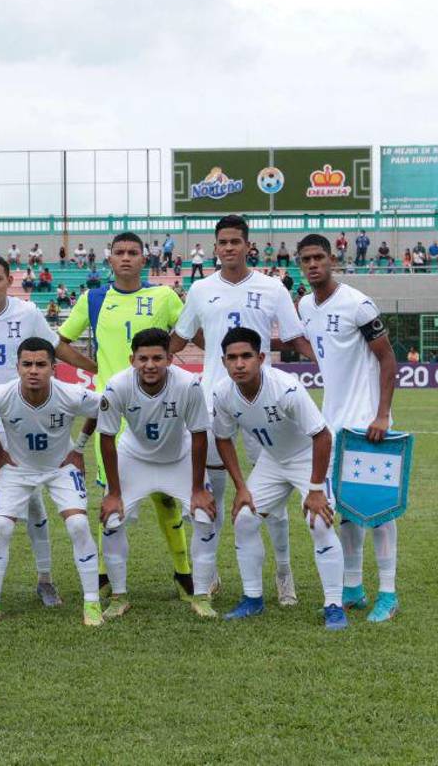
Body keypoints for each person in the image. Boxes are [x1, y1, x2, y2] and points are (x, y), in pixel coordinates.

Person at [0, 254, 98, 607]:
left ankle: (45, 579)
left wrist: (95, 367)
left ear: (9, 280)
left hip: (20, 421)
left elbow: (56, 347)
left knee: (34, 504)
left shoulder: (27, 313)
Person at [170, 215, 310, 603]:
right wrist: (142, 368)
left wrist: (333, 366)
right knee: (210, 496)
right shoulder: (200, 289)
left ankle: (283, 571)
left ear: (249, 246)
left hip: (264, 406)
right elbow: (179, 338)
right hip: (215, 405)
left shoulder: (273, 287)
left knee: (273, 503)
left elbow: (295, 339)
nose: (229, 248)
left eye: (236, 241)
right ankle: (209, 573)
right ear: (214, 247)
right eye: (223, 242)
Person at [59, 232, 196, 600]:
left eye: (133, 252)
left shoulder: (164, 296)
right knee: (112, 496)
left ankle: (183, 571)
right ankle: (105, 576)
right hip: (114, 411)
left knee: (166, 497)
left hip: (158, 407)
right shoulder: (93, 298)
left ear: (144, 259)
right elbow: (60, 343)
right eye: (119, 252)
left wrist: (164, 360)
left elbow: (189, 332)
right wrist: (95, 368)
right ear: (110, 259)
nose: (125, 258)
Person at [210, 326, 346, 628]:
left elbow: (322, 436)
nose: (239, 364)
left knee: (319, 521)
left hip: (310, 455)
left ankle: (334, 605)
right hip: (273, 459)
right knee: (244, 518)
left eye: (246, 356)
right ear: (224, 362)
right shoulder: (222, 393)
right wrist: (241, 487)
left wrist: (315, 489)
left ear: (261, 358)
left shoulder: (285, 388)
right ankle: (253, 598)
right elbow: (223, 438)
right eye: (232, 358)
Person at [296, 233, 400, 623]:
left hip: (367, 423)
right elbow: (320, 348)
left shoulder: (358, 304)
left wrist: (382, 415)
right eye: (306, 259)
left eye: (318, 257)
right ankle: (353, 588)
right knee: (347, 511)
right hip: (332, 425)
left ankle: (388, 593)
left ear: (332, 260)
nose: (312, 264)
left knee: (379, 510)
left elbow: (387, 359)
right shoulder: (305, 305)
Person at [0, 337, 103, 628]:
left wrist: (79, 448)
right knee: (1, 526)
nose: (33, 370)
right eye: (27, 364)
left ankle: (92, 603)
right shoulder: (0, 395)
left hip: (60, 467)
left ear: (54, 368)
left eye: (41, 364)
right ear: (17, 367)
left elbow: (101, 408)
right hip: (18, 469)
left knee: (78, 525)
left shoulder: (71, 394)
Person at [97, 328, 218, 620]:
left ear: (170, 359)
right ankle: (119, 596)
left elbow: (199, 434)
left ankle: (202, 596)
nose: (150, 365)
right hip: (134, 458)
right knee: (111, 520)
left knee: (204, 517)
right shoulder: (117, 385)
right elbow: (107, 438)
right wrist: (114, 493)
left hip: (178, 459)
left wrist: (198, 489)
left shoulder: (188, 384)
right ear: (132, 360)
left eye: (157, 358)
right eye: (143, 359)